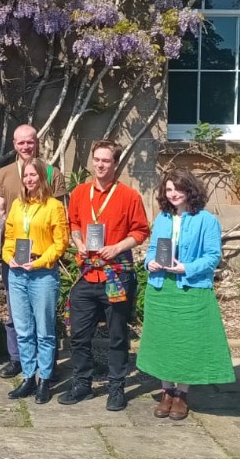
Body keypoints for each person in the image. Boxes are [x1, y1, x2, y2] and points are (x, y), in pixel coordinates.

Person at [58, 139, 149, 411]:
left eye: (106, 160)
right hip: (87, 274)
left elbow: (141, 231)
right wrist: (78, 242)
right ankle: (82, 384)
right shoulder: (79, 192)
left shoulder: (129, 196)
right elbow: (74, 223)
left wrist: (117, 247)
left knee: (118, 335)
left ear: (115, 163)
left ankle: (116, 387)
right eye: (96, 159)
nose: (100, 165)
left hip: (115, 275)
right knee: (79, 334)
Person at [138, 168, 234, 420]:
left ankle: (181, 394)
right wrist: (149, 262)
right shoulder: (163, 218)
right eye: (169, 189)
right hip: (161, 289)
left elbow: (213, 256)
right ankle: (166, 391)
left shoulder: (207, 220)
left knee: (188, 342)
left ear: (190, 189)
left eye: (178, 189)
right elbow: (152, 248)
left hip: (191, 289)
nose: (173, 194)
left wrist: (187, 268)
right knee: (164, 341)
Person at [0, 124, 66, 379]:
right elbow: (0, 212)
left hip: (42, 259)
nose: (25, 146)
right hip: (15, 257)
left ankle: (47, 368)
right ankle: (19, 361)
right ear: (14, 144)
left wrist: (47, 258)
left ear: (37, 143)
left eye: (30, 142)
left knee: (44, 319)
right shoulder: (4, 173)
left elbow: (60, 216)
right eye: (21, 142)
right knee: (17, 314)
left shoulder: (52, 173)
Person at [1, 158, 69, 404]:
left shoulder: (53, 206)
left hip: (42, 274)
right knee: (23, 330)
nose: (29, 179)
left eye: (33, 175)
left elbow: (60, 242)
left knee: (44, 331)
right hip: (18, 273)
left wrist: (39, 262)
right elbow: (10, 236)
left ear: (41, 177)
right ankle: (28, 376)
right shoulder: (18, 205)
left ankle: (45, 379)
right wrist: (9, 257)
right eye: (26, 176)